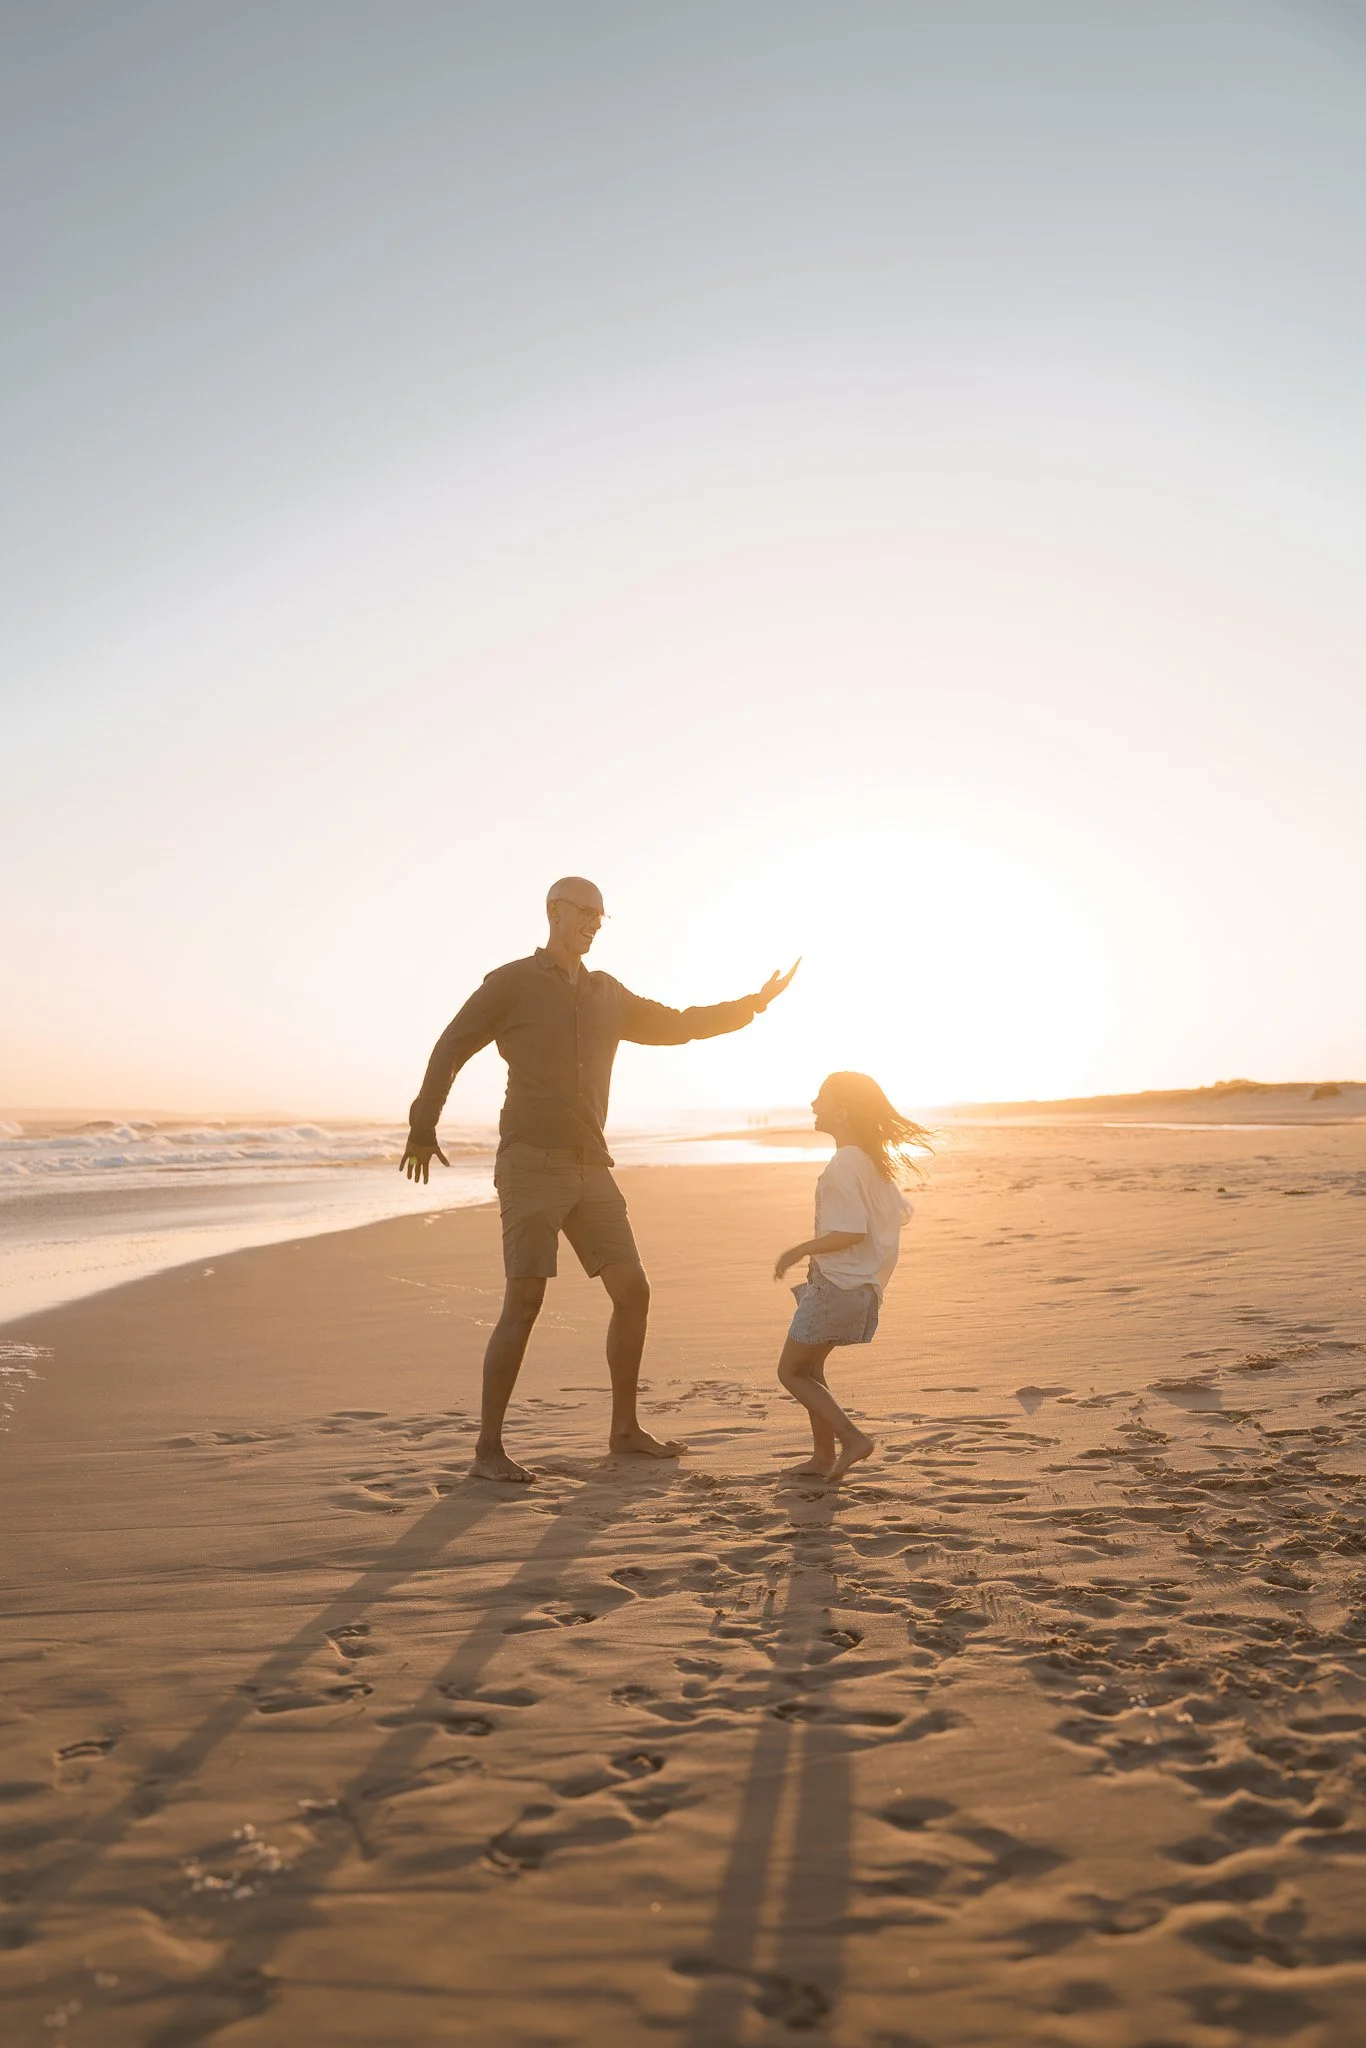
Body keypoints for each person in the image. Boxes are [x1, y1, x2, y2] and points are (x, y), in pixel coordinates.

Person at [401, 877, 798, 1482]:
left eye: (601, 917)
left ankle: (624, 1430)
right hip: (530, 1163)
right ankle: (488, 1451)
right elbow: (450, 1047)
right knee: (526, 1300)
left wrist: (754, 1004)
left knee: (633, 1291)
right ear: (553, 910)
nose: (592, 922)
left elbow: (679, 1024)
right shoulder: (511, 983)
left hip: (592, 1166)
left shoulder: (608, 993)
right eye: (583, 911)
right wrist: (423, 1125)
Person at [772, 1072, 933, 1481]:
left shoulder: (845, 1163)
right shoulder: (869, 1160)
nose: (813, 1105)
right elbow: (891, 1218)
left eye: (821, 1098)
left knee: (790, 1372)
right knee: (811, 1372)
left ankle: (852, 1439)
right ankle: (822, 1456)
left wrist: (799, 1250)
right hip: (859, 1289)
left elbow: (850, 1232)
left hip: (836, 1289)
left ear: (841, 1112)